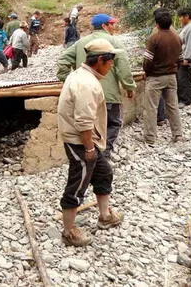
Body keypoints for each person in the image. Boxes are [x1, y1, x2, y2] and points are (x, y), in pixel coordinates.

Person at [58, 39, 125, 247]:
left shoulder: (83, 75)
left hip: (88, 139)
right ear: (100, 61)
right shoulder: (85, 83)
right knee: (78, 182)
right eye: (110, 61)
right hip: (80, 140)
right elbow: (84, 121)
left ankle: (104, 215)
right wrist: (88, 148)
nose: (112, 66)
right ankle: (69, 231)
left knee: (103, 172)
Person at [57, 14, 136, 155]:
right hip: (109, 95)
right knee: (113, 123)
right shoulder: (114, 43)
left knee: (91, 126)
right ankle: (103, 154)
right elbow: (123, 68)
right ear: (105, 26)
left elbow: (63, 60)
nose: (114, 27)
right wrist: (129, 87)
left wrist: (67, 79)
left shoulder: (81, 43)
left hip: (84, 95)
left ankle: (95, 153)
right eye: (112, 24)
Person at [142, 9, 183, 145]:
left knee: (151, 108)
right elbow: (180, 58)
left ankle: (150, 137)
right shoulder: (177, 37)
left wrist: (146, 72)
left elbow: (147, 60)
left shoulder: (154, 38)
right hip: (172, 76)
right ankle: (177, 135)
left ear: (157, 24)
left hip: (155, 77)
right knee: (173, 106)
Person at [177, 8, 191, 107]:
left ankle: (185, 99)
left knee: (183, 78)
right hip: (184, 56)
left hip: (187, 57)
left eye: (181, 17)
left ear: (186, 16)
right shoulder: (188, 27)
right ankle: (183, 98)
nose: (180, 19)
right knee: (182, 77)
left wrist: (188, 58)